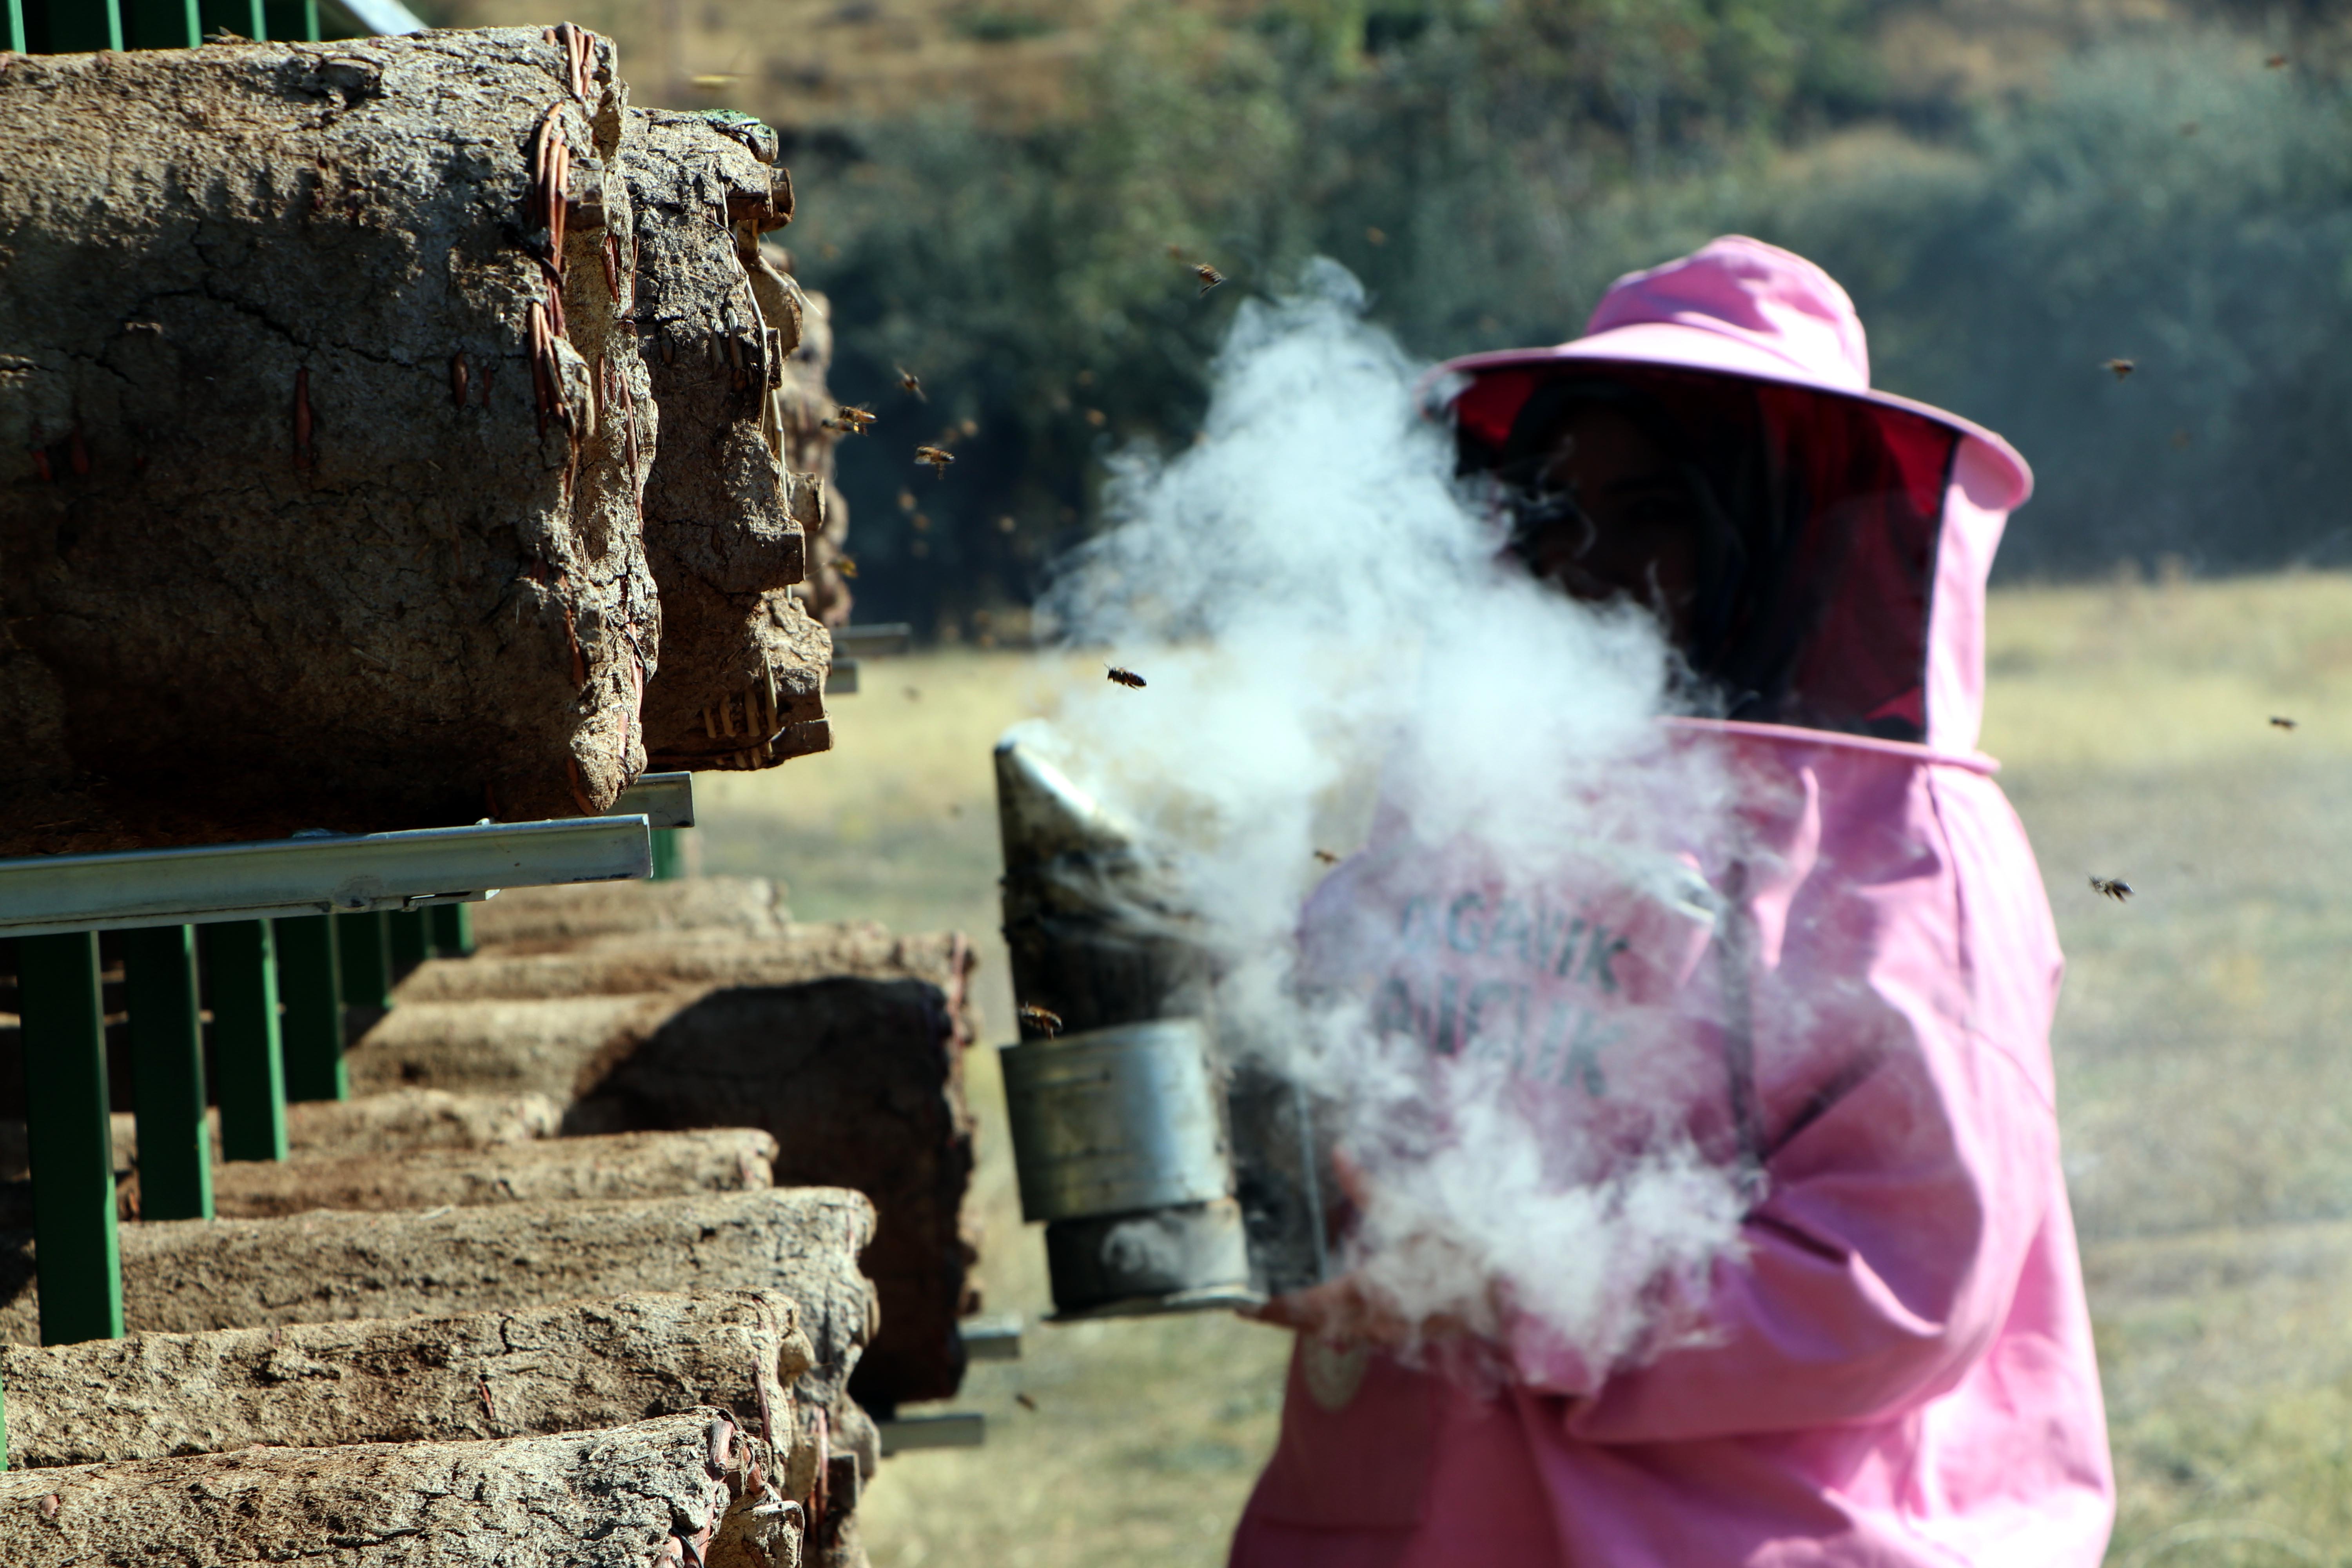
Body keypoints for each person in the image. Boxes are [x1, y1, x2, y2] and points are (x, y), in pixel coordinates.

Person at [1226, 237, 2116, 1566]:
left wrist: (1501, 1285)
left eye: (1656, 512)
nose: (1594, 563)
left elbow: (1900, 1289)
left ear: (1778, 529)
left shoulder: (1903, 852)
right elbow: (1354, 1040)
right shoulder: (1478, 775)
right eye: (1557, 512)